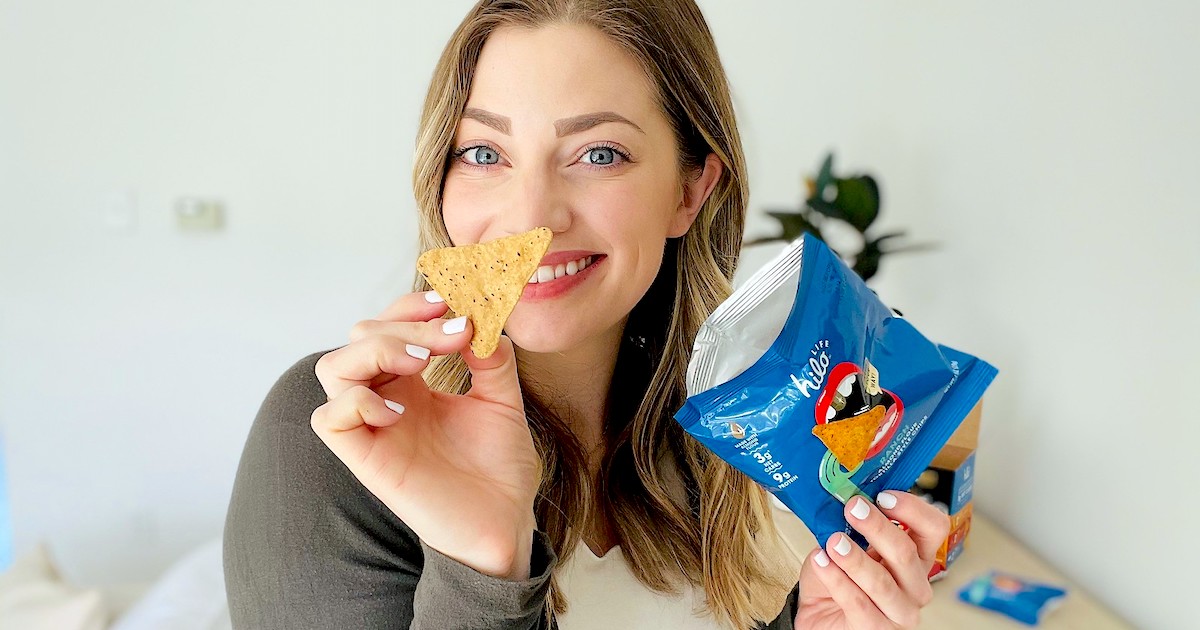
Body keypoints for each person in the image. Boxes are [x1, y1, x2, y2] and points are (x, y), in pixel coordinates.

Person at [222, 1, 950, 628]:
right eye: (483, 151)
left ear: (690, 191)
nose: (530, 216)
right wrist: (485, 565)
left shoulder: (729, 439)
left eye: (598, 153)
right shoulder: (341, 436)